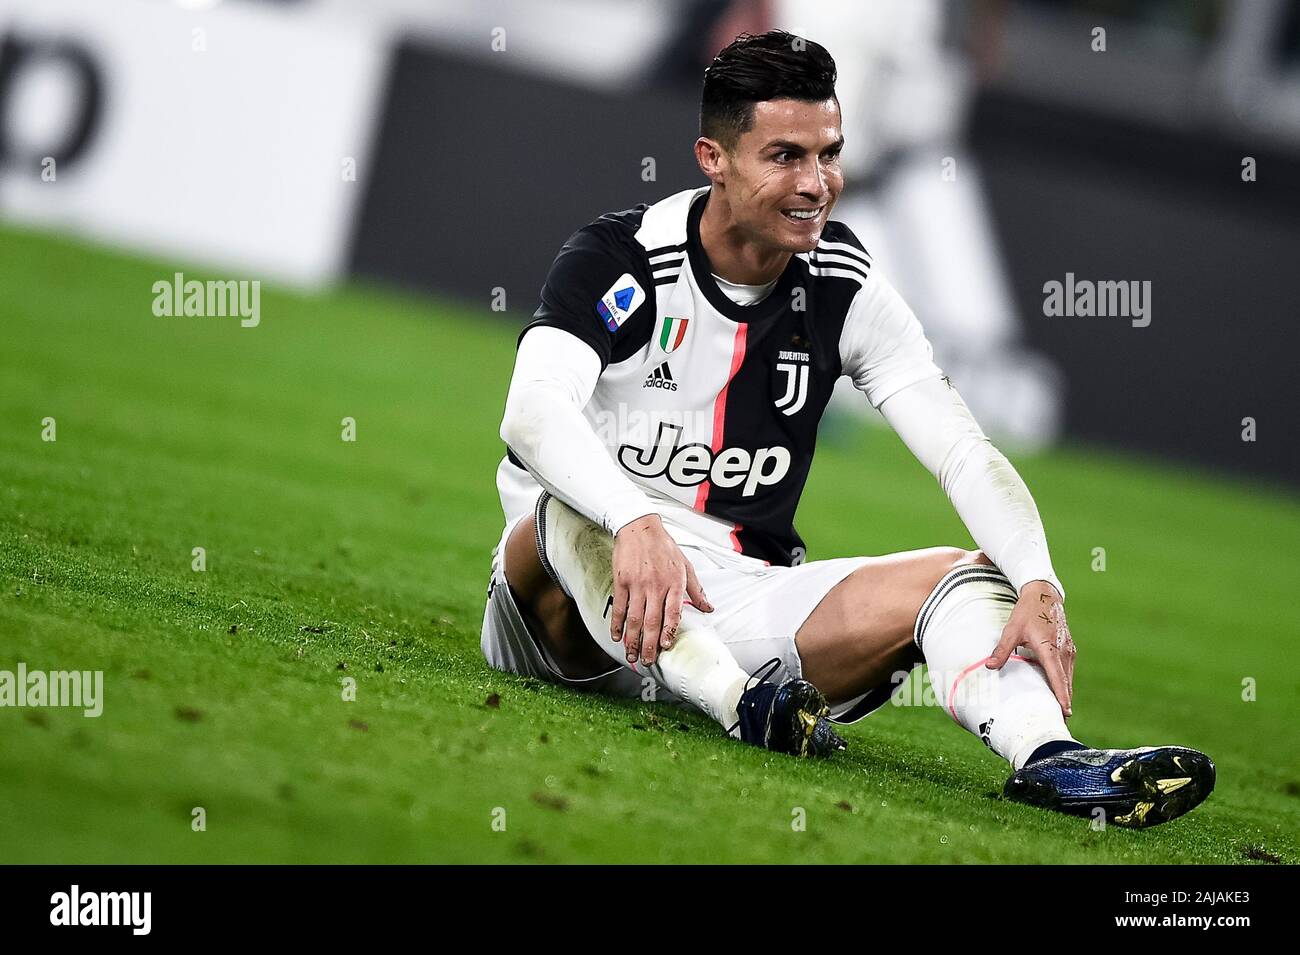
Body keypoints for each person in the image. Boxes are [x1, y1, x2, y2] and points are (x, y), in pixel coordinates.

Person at [481, 30, 1214, 828]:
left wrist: (1040, 579)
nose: (817, 183)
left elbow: (962, 449)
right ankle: (735, 704)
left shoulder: (841, 282)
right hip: (571, 618)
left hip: (743, 609)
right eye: (785, 156)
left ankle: (1051, 758)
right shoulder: (621, 259)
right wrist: (635, 518)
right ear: (713, 158)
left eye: (829, 153)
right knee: (563, 513)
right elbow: (532, 412)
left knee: (966, 572)